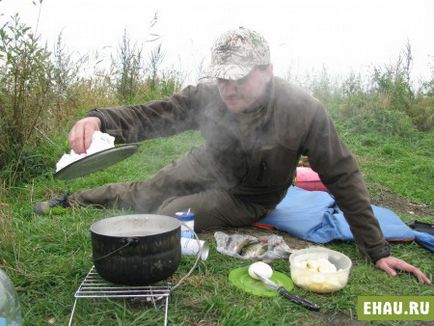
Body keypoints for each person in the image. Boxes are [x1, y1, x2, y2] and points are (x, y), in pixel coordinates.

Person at [36, 27, 430, 284]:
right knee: (147, 190)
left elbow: (343, 176)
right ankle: (71, 201)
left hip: (251, 195)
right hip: (208, 163)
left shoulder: (302, 110)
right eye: (222, 76)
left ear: (268, 71)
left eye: (239, 78)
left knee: (172, 214)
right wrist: (100, 118)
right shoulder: (209, 95)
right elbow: (153, 115)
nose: (228, 88)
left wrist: (377, 250)